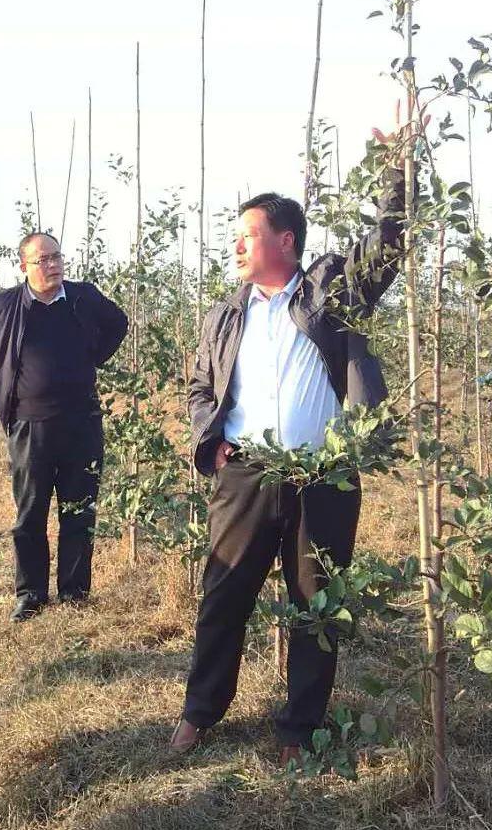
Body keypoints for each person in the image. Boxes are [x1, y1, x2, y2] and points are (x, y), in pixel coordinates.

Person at [171, 121, 411, 763]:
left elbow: (385, 249)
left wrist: (397, 173)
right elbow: (199, 387)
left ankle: (299, 727)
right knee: (224, 594)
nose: (239, 244)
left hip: (322, 474)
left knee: (316, 601)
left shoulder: (328, 293)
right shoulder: (226, 314)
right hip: (246, 473)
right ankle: (201, 712)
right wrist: (210, 441)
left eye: (249, 234)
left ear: (285, 240)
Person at [0, 233, 129, 621]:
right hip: (30, 426)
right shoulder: (1, 306)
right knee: (31, 512)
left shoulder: (84, 297)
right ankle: (31, 593)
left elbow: (119, 323)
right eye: (43, 260)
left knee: (79, 509)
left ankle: (74, 592)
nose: (53, 266)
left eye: (56, 257)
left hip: (82, 423)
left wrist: (95, 357)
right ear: (24, 267)